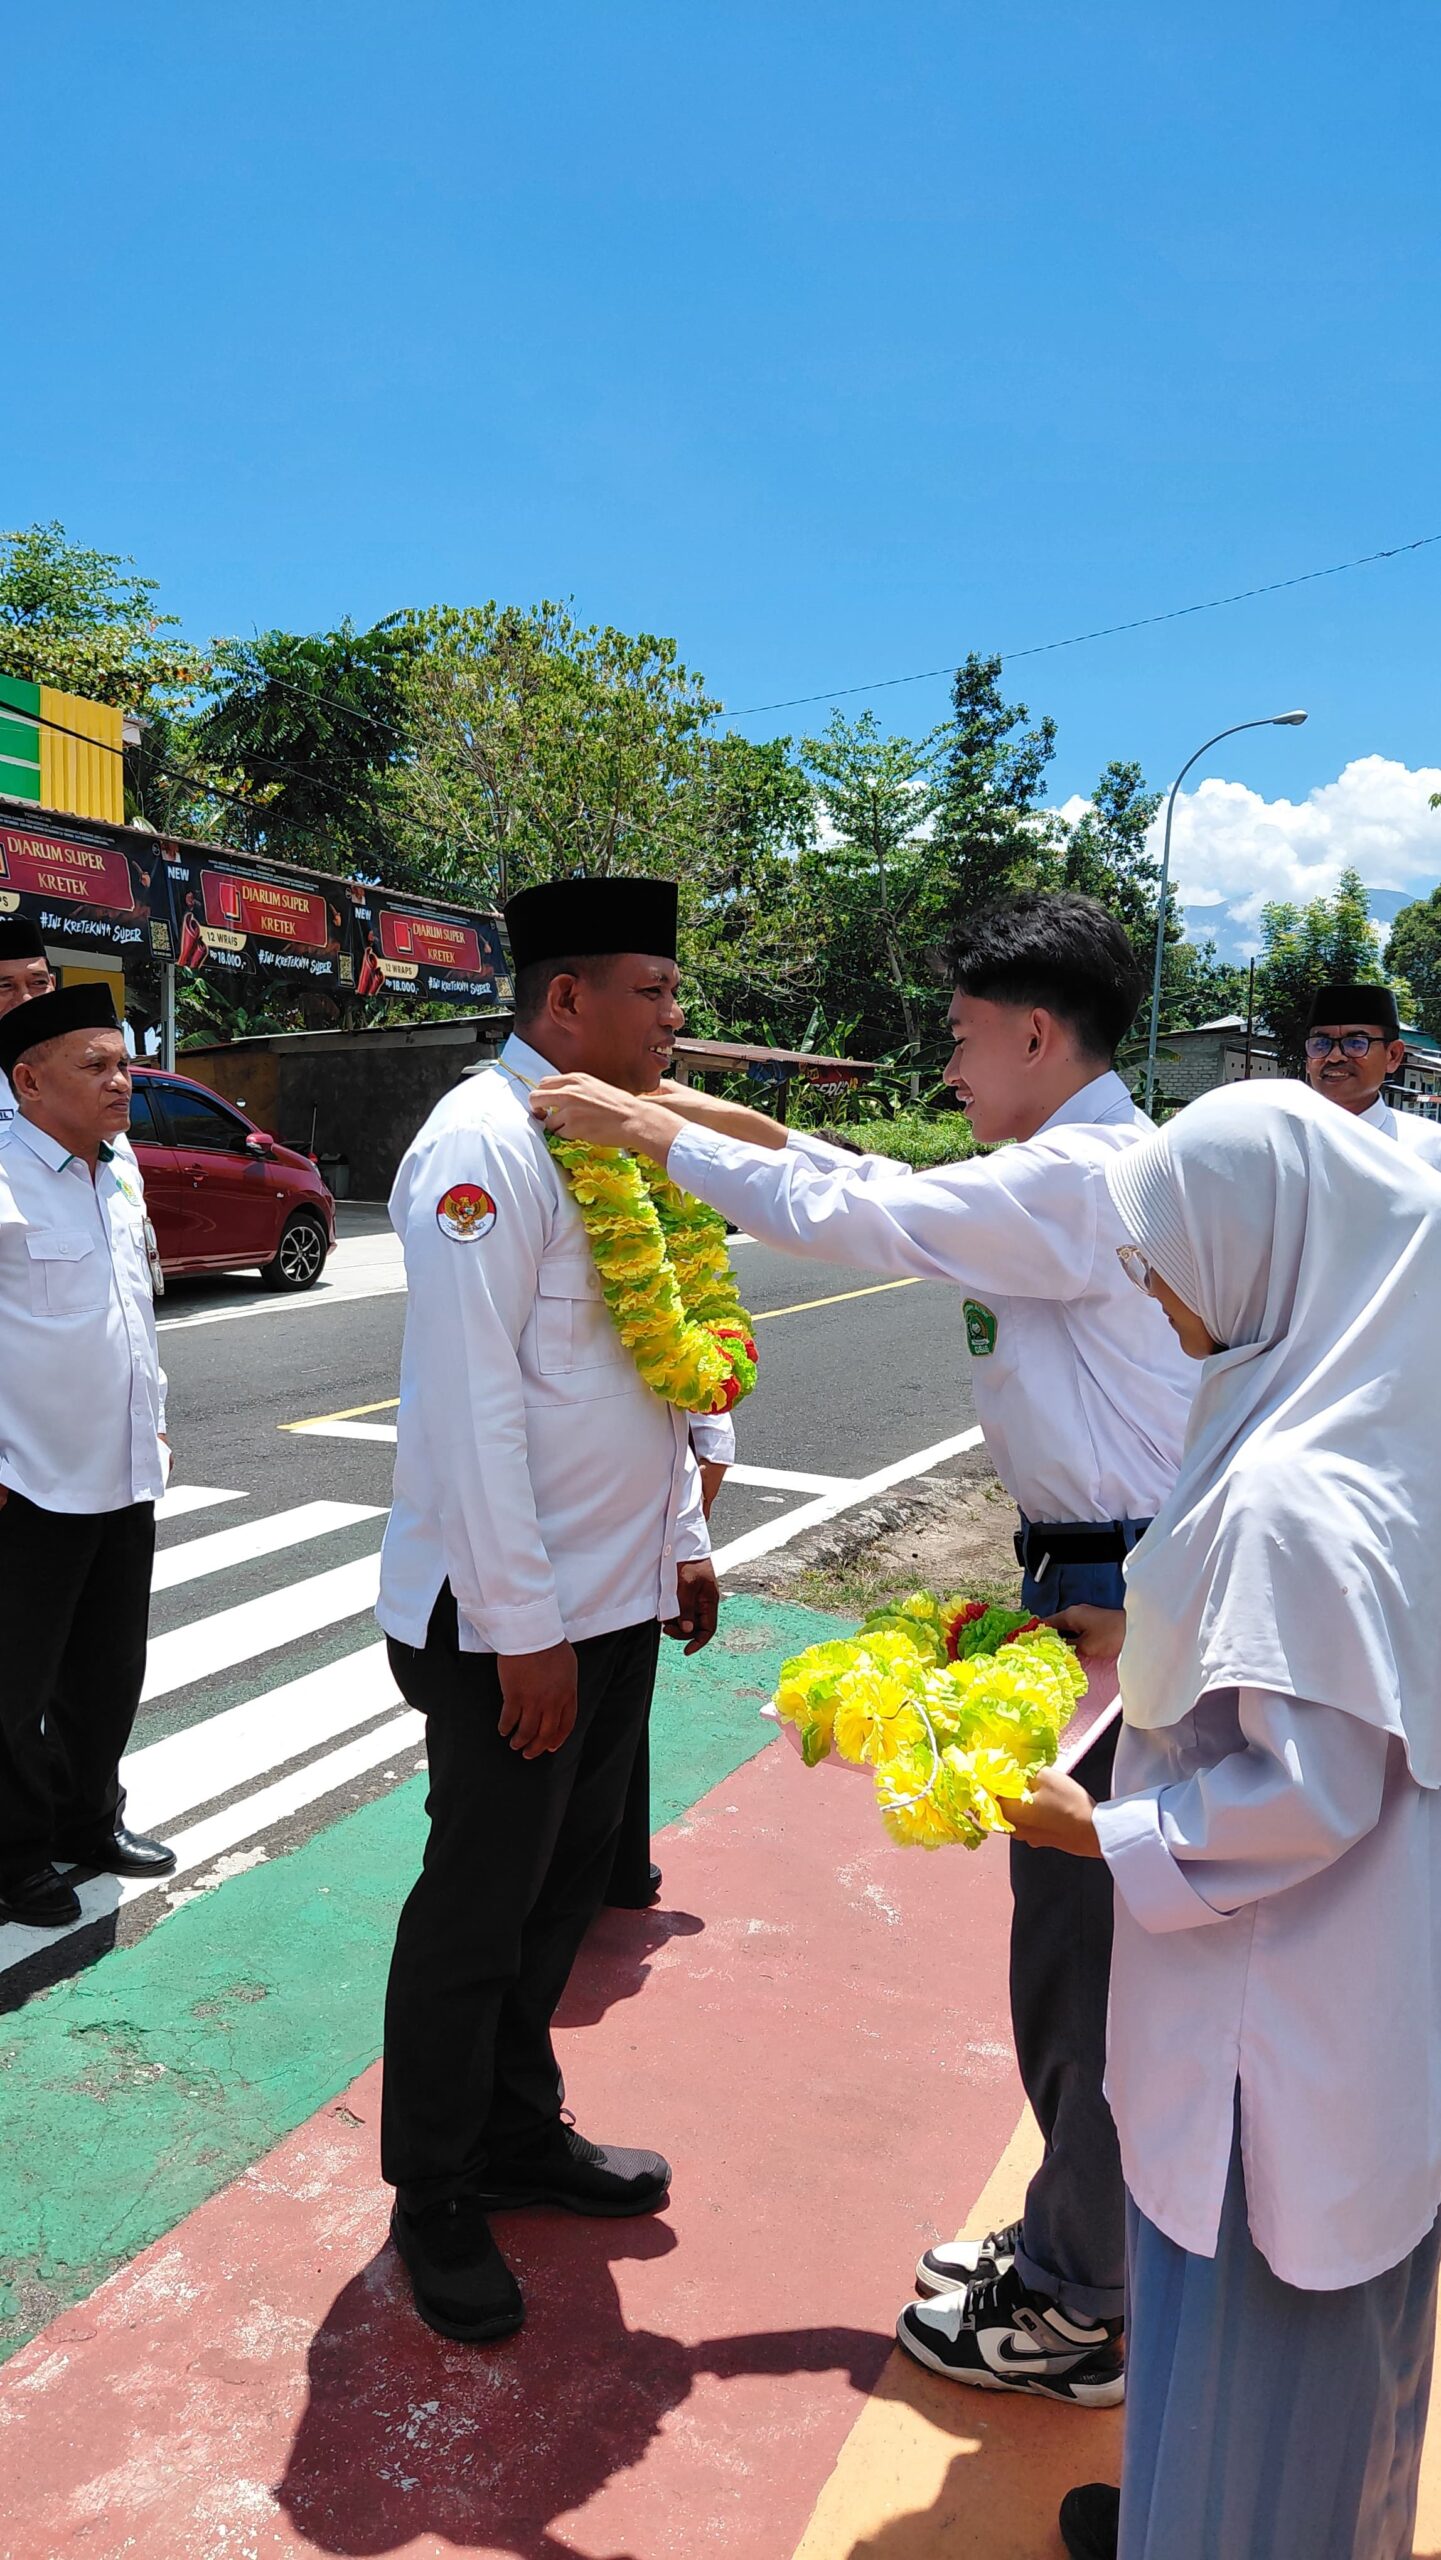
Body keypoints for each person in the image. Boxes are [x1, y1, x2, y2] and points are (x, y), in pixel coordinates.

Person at [532, 892, 1195, 2406]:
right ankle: (1075, 2240)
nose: (947, 1069)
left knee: (1087, 1965)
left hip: (1125, 1605)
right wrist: (678, 1111)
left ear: (1036, 1034)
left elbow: (861, 1215)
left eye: (961, 1039)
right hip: (1100, 1587)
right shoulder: (1071, 1168)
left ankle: (1079, 2304)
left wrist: (646, 1132)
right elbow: (856, 1171)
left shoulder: (1078, 1185)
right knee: (1073, 1948)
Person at [1002, 1083, 1441, 2560]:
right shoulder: (1372, 1416)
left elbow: (1309, 1789)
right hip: (1360, 1994)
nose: (1147, 1282)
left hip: (1274, 2014)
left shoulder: (1289, 1488)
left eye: (1164, 1250)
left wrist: (1092, 1830)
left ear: (1264, 1240)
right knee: (1328, 2387)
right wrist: (1130, 1630)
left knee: (1253, 2365)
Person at [377, 875, 723, 2346]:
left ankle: (518, 2131)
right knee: (479, 1909)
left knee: (562, 1898)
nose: (675, 1014)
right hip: (509, 1623)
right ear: (566, 999)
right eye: (654, 989)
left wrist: (683, 1538)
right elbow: (473, 1412)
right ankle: (435, 2189)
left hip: (614, 1598)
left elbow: (650, 1359)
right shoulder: (483, 1145)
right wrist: (524, 1629)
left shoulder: (614, 1138)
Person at [0, 985, 175, 1929]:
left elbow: (132, 1315)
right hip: (25, 1480)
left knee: (107, 1676)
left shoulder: (118, 1173)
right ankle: (13, 1854)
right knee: (10, 1689)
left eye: (124, 1062)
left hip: (122, 1470)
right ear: (28, 1082)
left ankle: (88, 1820)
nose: (121, 1081)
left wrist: (155, 1422)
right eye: (96, 1065)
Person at [1303, 979, 1441, 1167]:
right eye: (1320, 1044)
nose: (1334, 1057)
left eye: (1356, 1043)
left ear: (1392, 1056)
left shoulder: (1431, 1150)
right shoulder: (1277, 1143)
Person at [0, 915, 56, 1126]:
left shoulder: (83, 1076)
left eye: (38, 983)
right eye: (5, 986)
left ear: (53, 984)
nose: (26, 999)